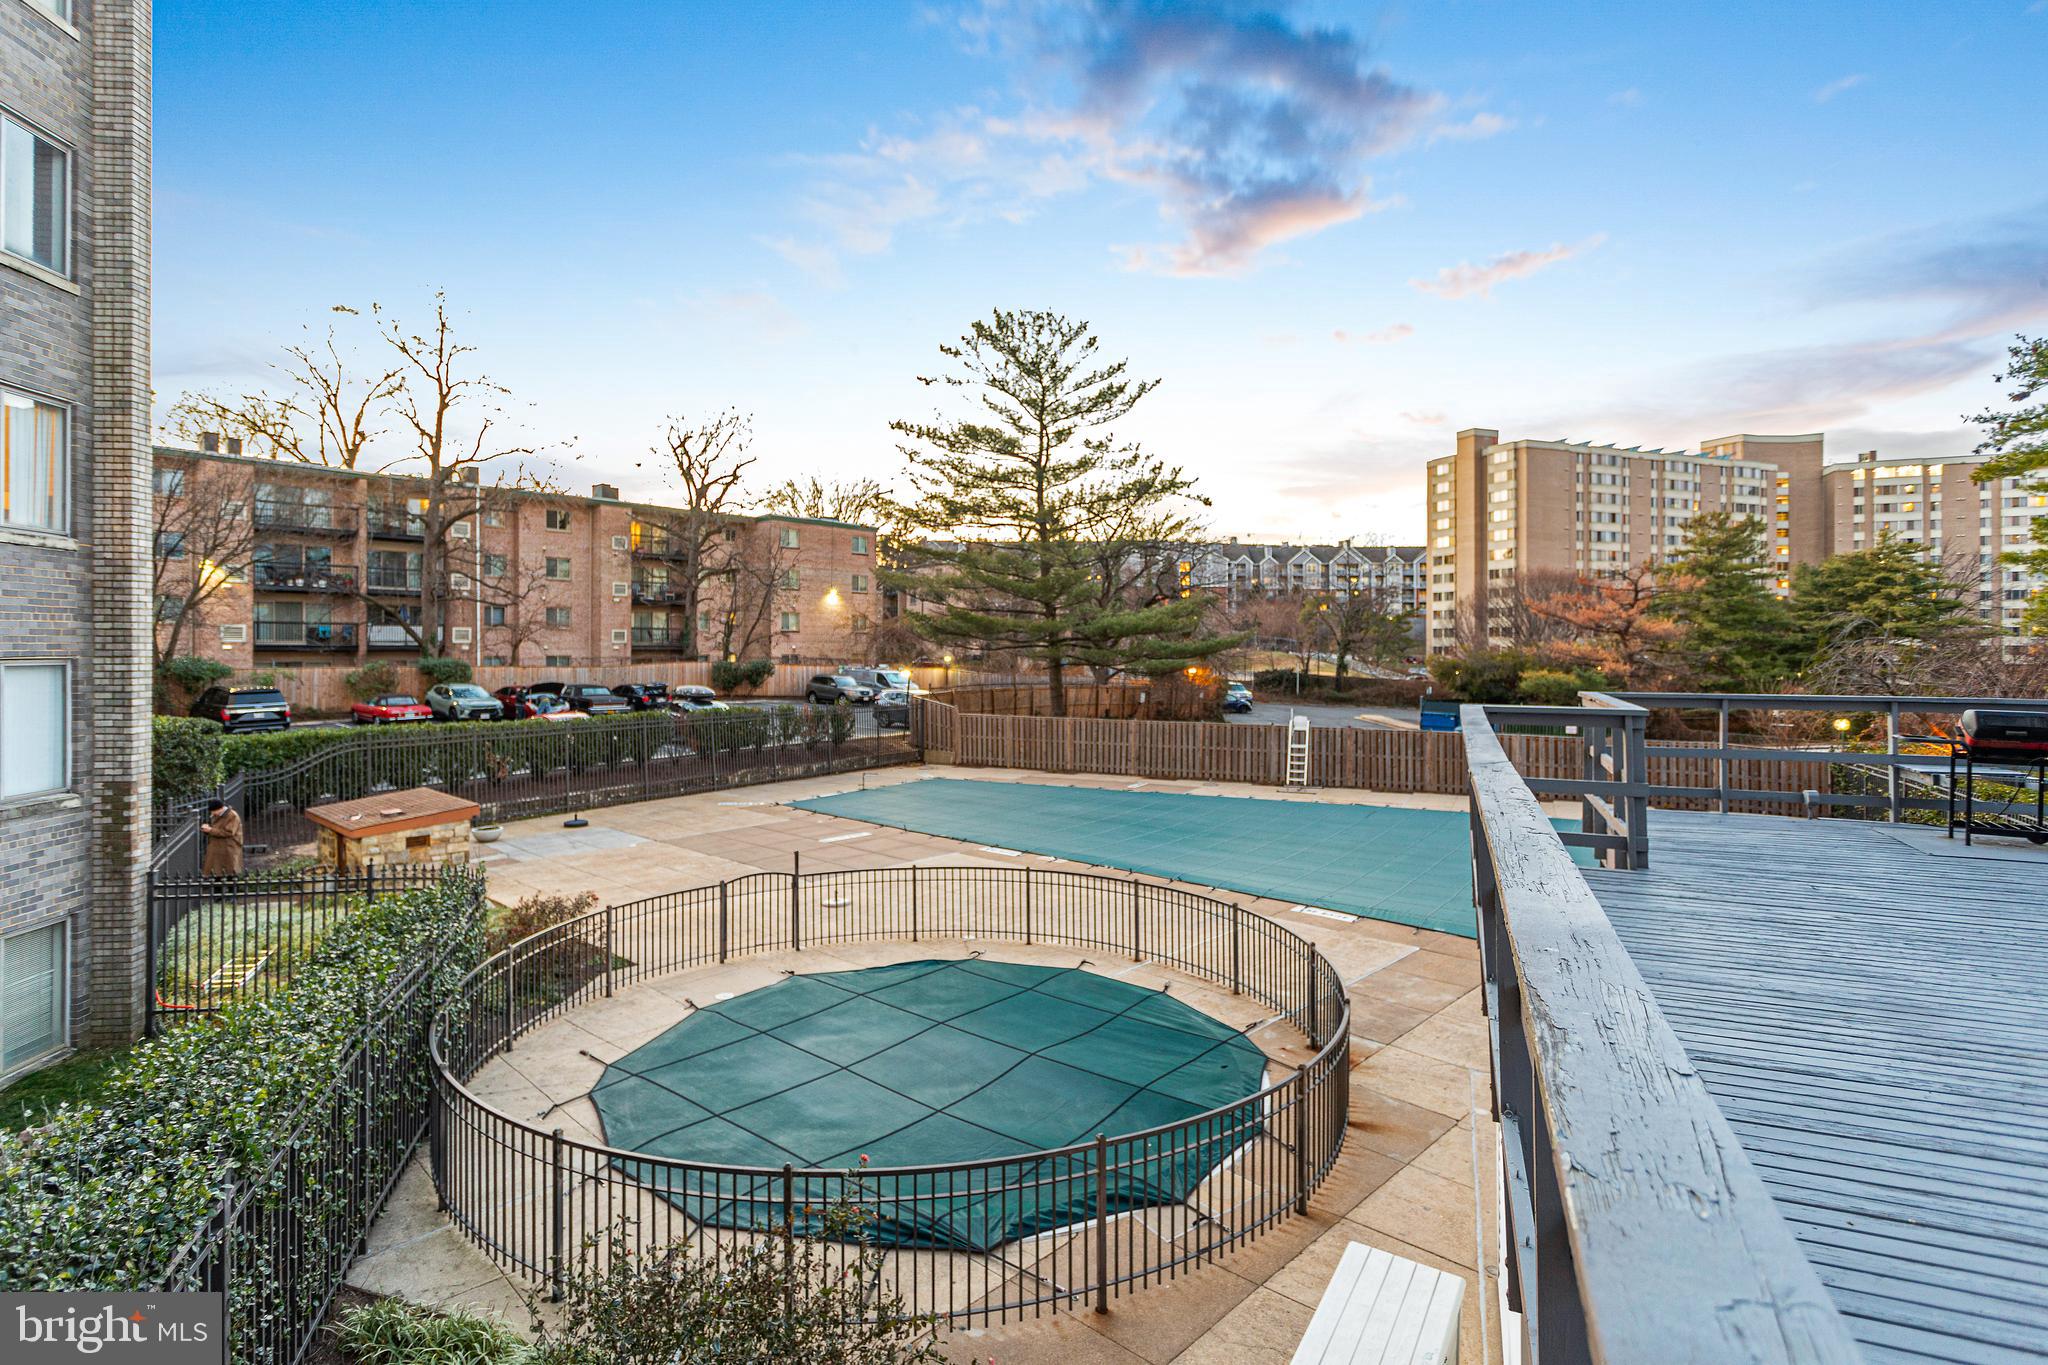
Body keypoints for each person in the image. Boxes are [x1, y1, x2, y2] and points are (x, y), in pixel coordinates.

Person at [200, 799, 244, 878]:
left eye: (213, 811)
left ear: (220, 808)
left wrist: (210, 830)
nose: (212, 813)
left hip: (229, 847)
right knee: (217, 873)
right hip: (218, 847)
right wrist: (207, 829)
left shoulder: (232, 815)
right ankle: (219, 889)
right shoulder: (217, 815)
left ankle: (232, 889)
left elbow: (229, 832)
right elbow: (216, 827)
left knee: (231, 872)